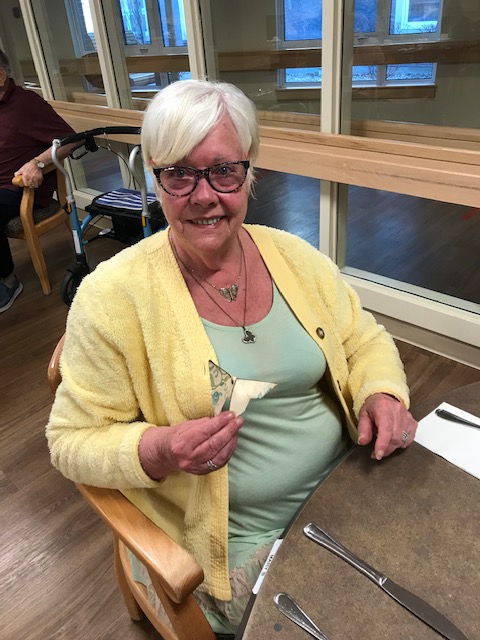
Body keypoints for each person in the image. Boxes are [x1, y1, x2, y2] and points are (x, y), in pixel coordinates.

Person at [46, 79, 417, 637]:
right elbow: (70, 440)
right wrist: (161, 449)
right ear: (154, 176)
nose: (204, 195)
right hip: (238, 543)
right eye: (179, 174)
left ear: (250, 173)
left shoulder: (293, 256)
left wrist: (381, 392)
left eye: (224, 170)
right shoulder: (112, 298)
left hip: (353, 486)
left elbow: (362, 338)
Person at [0, 48, 75, 312]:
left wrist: (38, 163)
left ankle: (7, 280)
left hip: (16, 189)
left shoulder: (26, 104)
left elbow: (70, 140)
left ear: (0, 76)